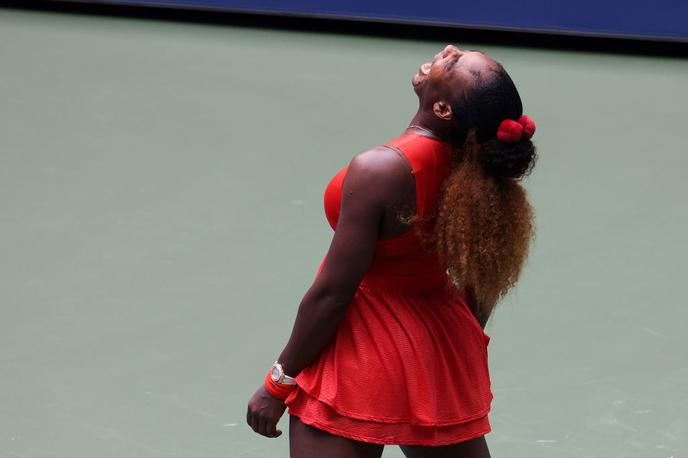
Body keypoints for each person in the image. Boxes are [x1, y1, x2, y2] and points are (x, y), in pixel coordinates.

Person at [247, 44, 537, 458]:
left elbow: (332, 294)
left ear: (442, 110)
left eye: (453, 63)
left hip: (359, 353)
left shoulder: (381, 169)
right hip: (436, 346)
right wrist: (448, 350)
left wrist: (278, 382)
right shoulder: (479, 168)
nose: (448, 51)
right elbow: (482, 281)